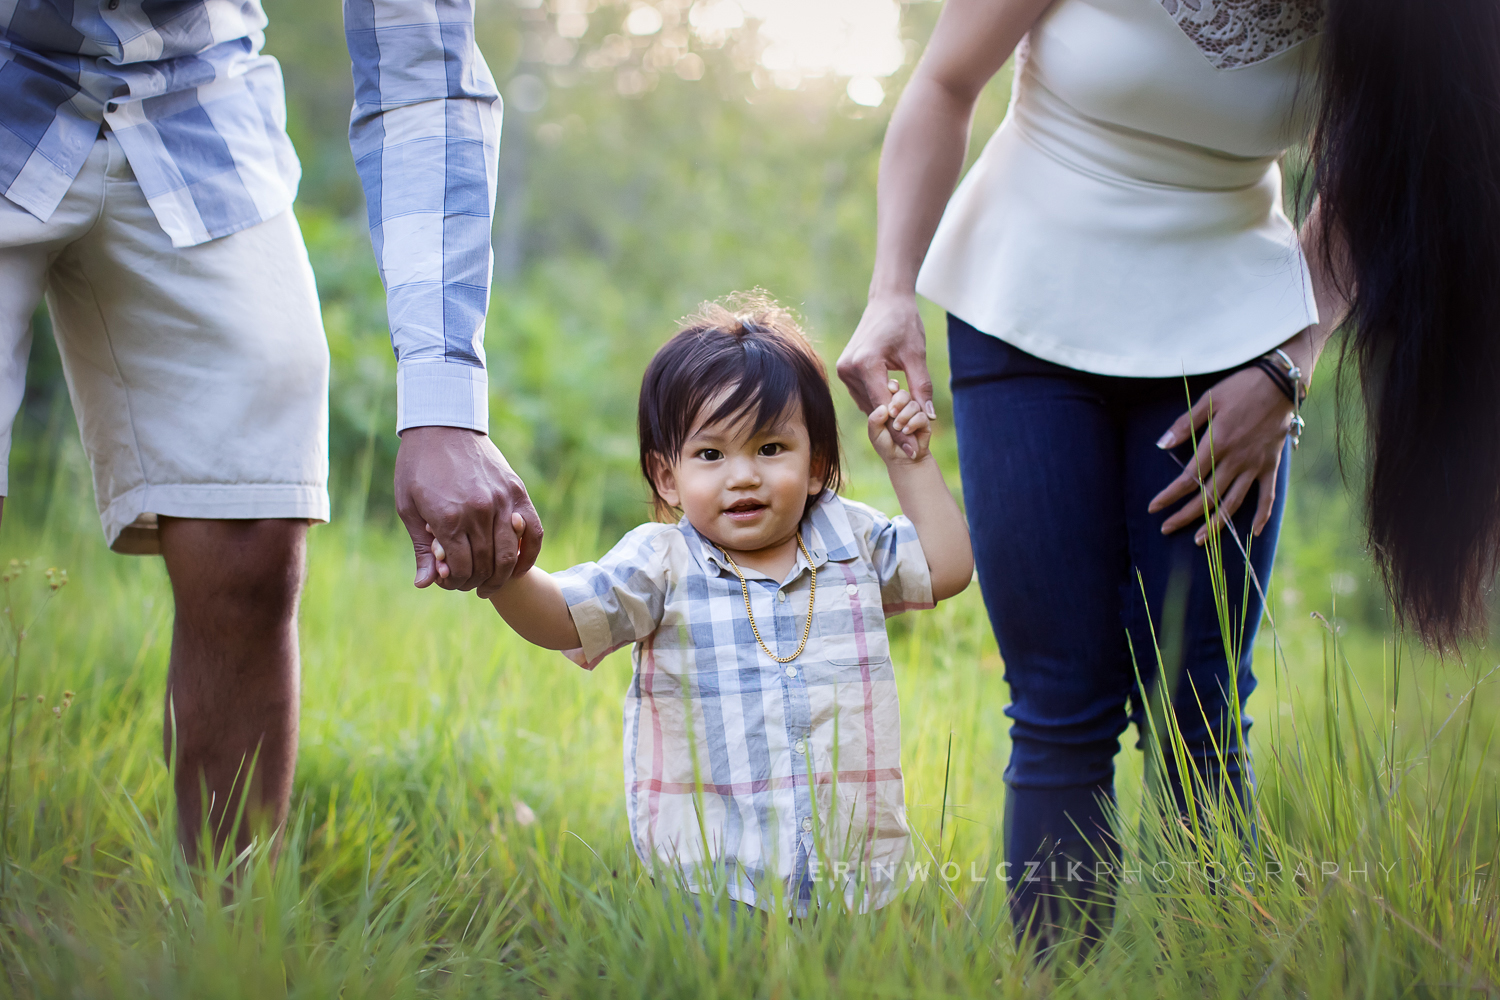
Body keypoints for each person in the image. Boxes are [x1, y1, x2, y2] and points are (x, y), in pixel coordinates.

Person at [838, 0, 1500, 947]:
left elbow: (1384, 163)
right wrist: (891, 289)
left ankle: (1216, 966)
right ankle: (1055, 976)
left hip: (1231, 341)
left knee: (1200, 704)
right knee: (1062, 698)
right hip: (1022, 301)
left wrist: (1289, 364)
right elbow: (946, 83)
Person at [0, 0, 541, 865]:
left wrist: (444, 403)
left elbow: (421, 69)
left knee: (252, 531)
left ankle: (231, 946)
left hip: (193, 104)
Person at [472, 297, 972, 916]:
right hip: (712, 876)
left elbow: (946, 568)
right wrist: (504, 573)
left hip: (855, 872)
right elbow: (565, 617)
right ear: (667, 478)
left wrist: (911, 464)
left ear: (815, 464)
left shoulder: (851, 540)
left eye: (769, 449)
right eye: (710, 455)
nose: (742, 476)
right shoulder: (661, 563)